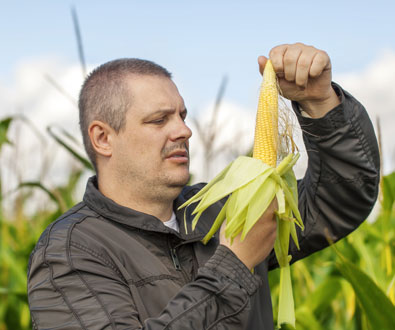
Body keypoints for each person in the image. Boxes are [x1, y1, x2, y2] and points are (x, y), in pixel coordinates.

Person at [27, 43, 380, 329]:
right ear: (103, 138)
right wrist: (235, 264)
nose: (183, 130)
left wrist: (320, 102)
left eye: (181, 115)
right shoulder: (70, 253)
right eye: (159, 119)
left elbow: (341, 197)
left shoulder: (224, 209)